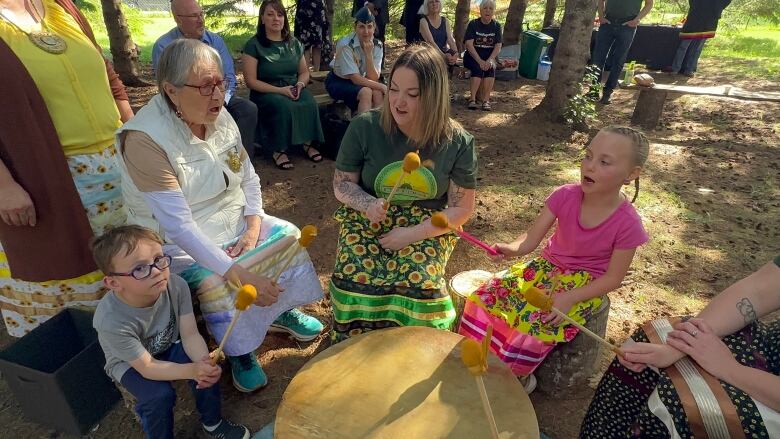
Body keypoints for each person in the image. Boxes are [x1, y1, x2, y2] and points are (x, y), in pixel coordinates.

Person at [116, 39, 324, 393]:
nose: (218, 95)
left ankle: (277, 312)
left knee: (286, 236)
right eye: (205, 86)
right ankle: (239, 348)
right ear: (171, 91)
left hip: (233, 217)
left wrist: (254, 223)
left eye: (221, 83)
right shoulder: (144, 139)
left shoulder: (219, 113)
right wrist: (239, 273)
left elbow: (249, 177)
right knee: (215, 281)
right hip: (178, 239)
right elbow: (178, 226)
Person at [459, 126, 650, 393]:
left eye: (604, 162)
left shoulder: (628, 223)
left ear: (631, 174)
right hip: (544, 269)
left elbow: (613, 278)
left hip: (583, 284)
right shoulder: (564, 195)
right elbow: (530, 240)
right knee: (484, 298)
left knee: (532, 324)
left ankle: (515, 376)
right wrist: (511, 249)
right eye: (588, 155)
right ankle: (481, 359)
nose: (590, 166)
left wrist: (571, 297)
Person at [0, 0, 131, 337]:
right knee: (72, 269)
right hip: (50, 178)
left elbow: (107, 76)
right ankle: (87, 357)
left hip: (116, 164)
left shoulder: (62, 7)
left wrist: (137, 134)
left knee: (127, 259)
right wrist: (3, 184)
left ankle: (134, 341)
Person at [330, 44, 478, 342]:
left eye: (412, 95)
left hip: (428, 224)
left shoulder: (458, 142)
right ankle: (356, 346)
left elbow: (462, 209)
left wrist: (412, 234)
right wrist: (368, 203)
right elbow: (342, 184)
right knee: (353, 280)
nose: (398, 102)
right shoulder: (365, 127)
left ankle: (411, 352)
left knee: (422, 290)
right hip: (369, 215)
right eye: (394, 89)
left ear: (434, 97)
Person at [580, 257, 780, 438]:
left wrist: (730, 368)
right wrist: (680, 346)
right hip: (770, 351)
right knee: (651, 346)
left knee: (686, 405)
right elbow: (757, 292)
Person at [91, 226, 250, 439]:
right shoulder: (110, 320)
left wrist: (202, 365)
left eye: (158, 259)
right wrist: (192, 370)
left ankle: (213, 424)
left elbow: (190, 335)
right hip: (130, 363)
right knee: (158, 396)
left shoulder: (176, 285)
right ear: (113, 283)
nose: (156, 271)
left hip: (168, 345)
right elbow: (147, 367)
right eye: (139, 269)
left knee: (206, 365)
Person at [152, 0, 259, 158]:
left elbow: (228, 75)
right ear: (178, 19)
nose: (201, 20)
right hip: (186, 101)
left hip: (220, 95)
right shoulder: (164, 46)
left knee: (248, 109)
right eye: (194, 16)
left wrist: (220, 98)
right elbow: (169, 86)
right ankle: (197, 159)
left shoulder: (215, 41)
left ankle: (241, 160)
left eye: (201, 14)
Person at [242, 0, 324, 171]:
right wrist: (280, 91)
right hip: (265, 90)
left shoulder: (293, 43)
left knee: (309, 102)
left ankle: (307, 143)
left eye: (280, 15)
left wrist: (300, 85)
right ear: (262, 18)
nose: (276, 19)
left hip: (293, 86)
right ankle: (278, 149)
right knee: (282, 106)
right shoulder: (253, 45)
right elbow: (251, 81)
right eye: (270, 14)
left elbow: (303, 71)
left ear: (284, 19)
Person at [325, 7, 386, 115]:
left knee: (377, 93)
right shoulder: (345, 45)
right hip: (338, 80)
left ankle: (378, 129)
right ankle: (362, 129)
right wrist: (382, 86)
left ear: (374, 27)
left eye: (369, 27)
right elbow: (355, 79)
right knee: (366, 92)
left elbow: (373, 77)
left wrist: (368, 55)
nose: (366, 32)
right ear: (355, 27)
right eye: (362, 27)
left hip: (363, 79)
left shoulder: (378, 46)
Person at [592, 0, 654, 104]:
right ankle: (593, 91)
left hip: (627, 25)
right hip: (608, 22)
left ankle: (608, 92)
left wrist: (636, 20)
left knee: (618, 59)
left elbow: (649, 3)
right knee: (598, 58)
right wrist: (601, 16)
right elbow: (600, 1)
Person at [668, 0, 732, 77]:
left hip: (709, 18)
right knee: (684, 45)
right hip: (695, 16)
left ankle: (689, 70)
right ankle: (675, 68)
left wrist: (717, 8)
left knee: (697, 47)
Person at [463, 0, 502, 111]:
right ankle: (472, 99)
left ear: (494, 11)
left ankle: (486, 100)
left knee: (491, 68)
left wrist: (490, 60)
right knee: (477, 68)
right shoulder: (473, 24)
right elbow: (469, 45)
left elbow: (498, 46)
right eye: (485, 8)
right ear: (480, 10)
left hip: (489, 56)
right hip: (473, 56)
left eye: (490, 8)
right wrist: (480, 61)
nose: (487, 11)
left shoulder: (496, 26)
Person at [418, 0, 459, 76]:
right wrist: (443, 57)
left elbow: (450, 39)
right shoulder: (423, 21)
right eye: (431, 2)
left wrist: (456, 54)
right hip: (427, 54)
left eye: (436, 1)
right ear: (427, 5)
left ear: (440, 4)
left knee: (452, 55)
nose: (434, 4)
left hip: (442, 53)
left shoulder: (445, 21)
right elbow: (430, 42)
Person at [294, 0, 331, 71]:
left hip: (318, 12)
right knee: (305, 45)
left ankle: (316, 72)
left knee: (318, 44)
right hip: (305, 10)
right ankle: (305, 73)